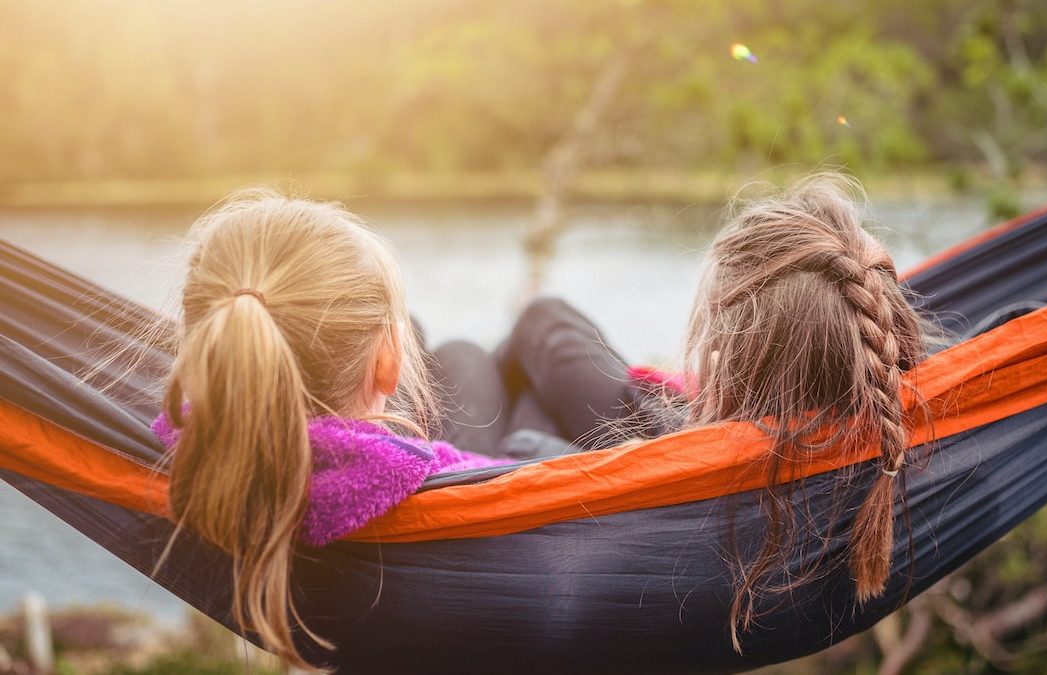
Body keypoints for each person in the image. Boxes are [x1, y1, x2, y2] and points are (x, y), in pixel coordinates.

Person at [479, 173, 928, 647]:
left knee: (495, 345)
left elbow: (522, 448)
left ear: (726, 359)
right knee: (535, 336)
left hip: (655, 452)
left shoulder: (708, 487)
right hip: (692, 432)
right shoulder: (913, 424)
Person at [151, 189, 510, 669]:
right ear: (389, 363)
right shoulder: (439, 476)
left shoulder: (191, 448)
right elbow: (530, 477)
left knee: (441, 341)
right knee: (504, 339)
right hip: (492, 480)